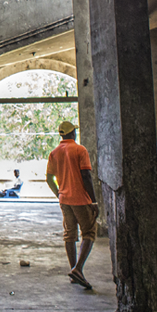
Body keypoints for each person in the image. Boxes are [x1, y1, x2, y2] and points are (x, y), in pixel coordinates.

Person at [45, 120, 98, 290]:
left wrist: (59, 193)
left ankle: (74, 270)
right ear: (73, 133)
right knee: (89, 231)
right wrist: (94, 201)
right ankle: (78, 269)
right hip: (81, 199)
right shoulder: (80, 150)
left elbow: (49, 178)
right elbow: (86, 177)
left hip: (65, 200)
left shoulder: (54, 153)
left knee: (69, 234)